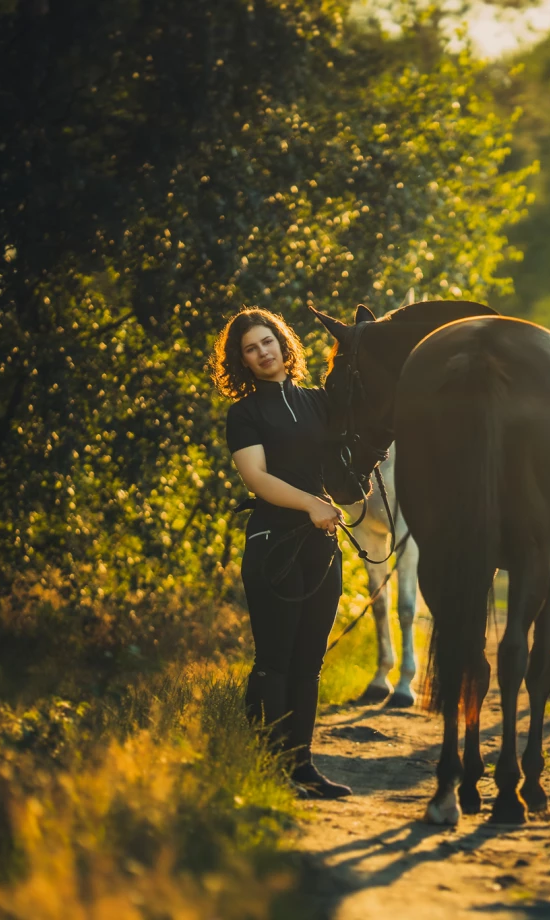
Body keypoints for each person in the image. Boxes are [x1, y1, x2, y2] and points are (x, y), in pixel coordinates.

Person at [211, 308, 352, 799]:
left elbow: (345, 458)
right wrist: (312, 503)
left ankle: (303, 765)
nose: (262, 352)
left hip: (322, 545)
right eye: (250, 348)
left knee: (309, 661)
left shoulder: (319, 403)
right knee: (276, 659)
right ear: (242, 362)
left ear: (283, 344)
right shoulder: (245, 413)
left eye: (267, 341)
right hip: (272, 544)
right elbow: (258, 478)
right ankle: (268, 768)